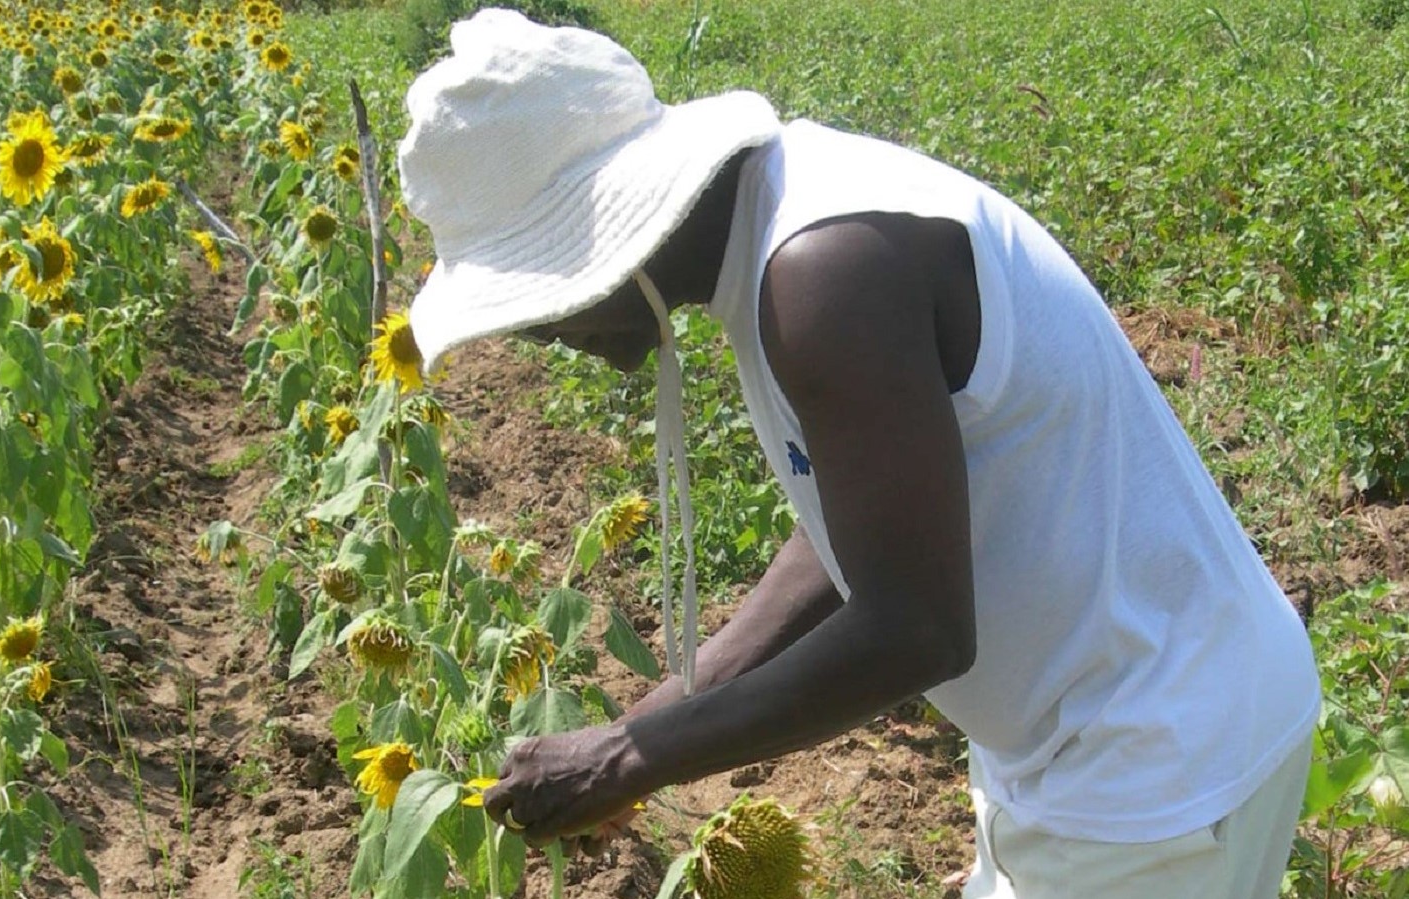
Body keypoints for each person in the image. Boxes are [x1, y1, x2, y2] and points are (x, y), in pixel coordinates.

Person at [395, 10, 1321, 898]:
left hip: (1155, 770)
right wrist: (655, 719)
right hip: (1097, 737)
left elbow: (916, 626)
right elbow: (864, 527)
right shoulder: (789, 227)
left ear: (602, 233)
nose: (542, 337)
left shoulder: (823, 272)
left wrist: (633, 757)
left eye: (533, 294)